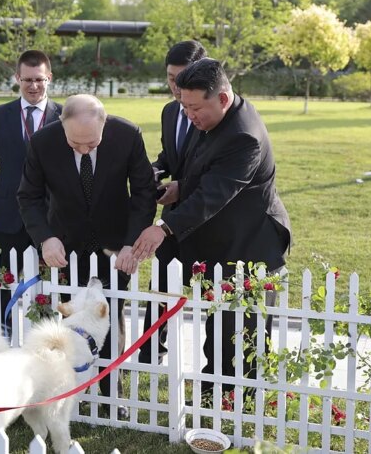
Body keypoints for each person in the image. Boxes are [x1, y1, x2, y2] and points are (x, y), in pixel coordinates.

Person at [131, 58, 291, 394]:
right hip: (220, 242)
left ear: (222, 98)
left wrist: (163, 227)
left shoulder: (243, 136)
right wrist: (178, 187)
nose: (189, 115)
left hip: (250, 246)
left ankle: (238, 399)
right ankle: (214, 390)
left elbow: (214, 195)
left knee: (239, 334)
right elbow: (200, 172)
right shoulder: (210, 119)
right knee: (219, 326)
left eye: (194, 108)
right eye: (184, 107)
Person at [18, 94, 156, 418]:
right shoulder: (42, 142)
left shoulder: (128, 135)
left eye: (91, 143)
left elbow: (143, 194)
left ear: (104, 124)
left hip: (115, 246)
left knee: (110, 315)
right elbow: (29, 196)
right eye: (75, 143)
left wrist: (130, 243)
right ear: (61, 126)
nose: (83, 149)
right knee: (72, 320)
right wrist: (46, 239)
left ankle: (112, 396)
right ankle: (71, 390)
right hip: (66, 246)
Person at [0, 50, 62, 332]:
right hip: (7, 216)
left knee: (45, 283)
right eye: (27, 80)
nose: (33, 86)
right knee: (3, 283)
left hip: (49, 217)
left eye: (39, 80)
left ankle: (44, 339)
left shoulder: (64, 114)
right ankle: (3, 337)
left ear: (49, 78)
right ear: (17, 78)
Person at [140, 40, 207, 366]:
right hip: (172, 216)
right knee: (159, 289)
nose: (177, 88)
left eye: (184, 79)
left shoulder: (212, 113)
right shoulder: (169, 111)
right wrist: (155, 169)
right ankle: (151, 353)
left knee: (211, 295)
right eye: (171, 78)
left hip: (209, 217)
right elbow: (172, 156)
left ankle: (214, 366)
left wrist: (183, 188)